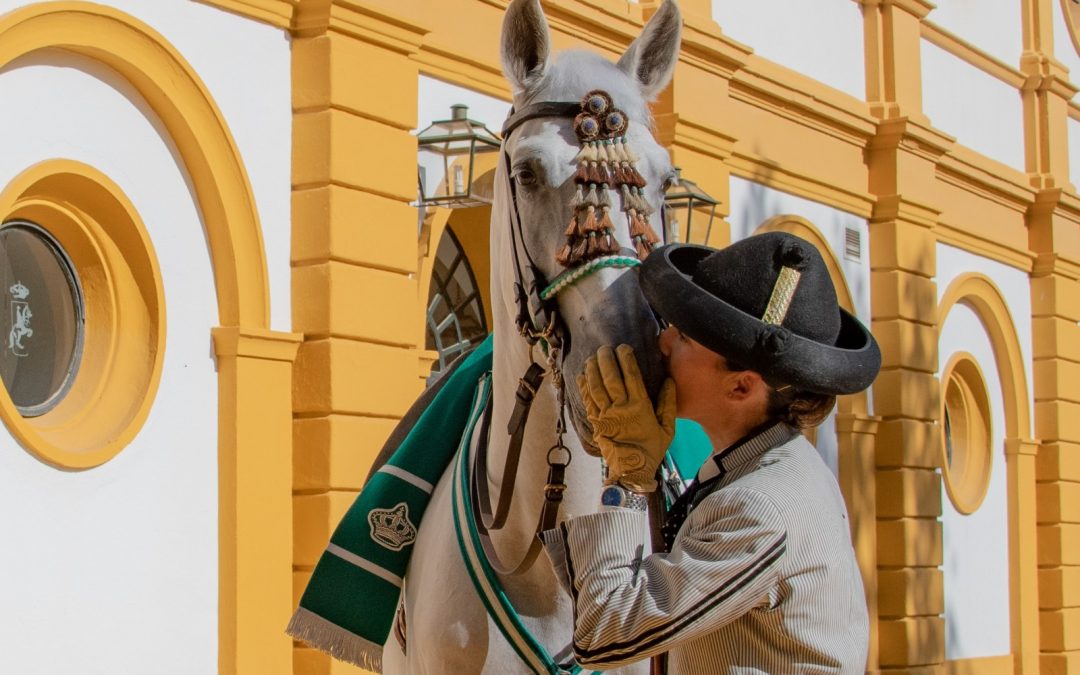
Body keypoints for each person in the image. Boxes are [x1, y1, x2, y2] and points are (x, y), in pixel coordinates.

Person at [540, 231, 881, 673]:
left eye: (682, 337)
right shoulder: (765, 467)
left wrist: (626, 475)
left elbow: (606, 632)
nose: (662, 344)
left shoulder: (758, 507)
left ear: (742, 385)